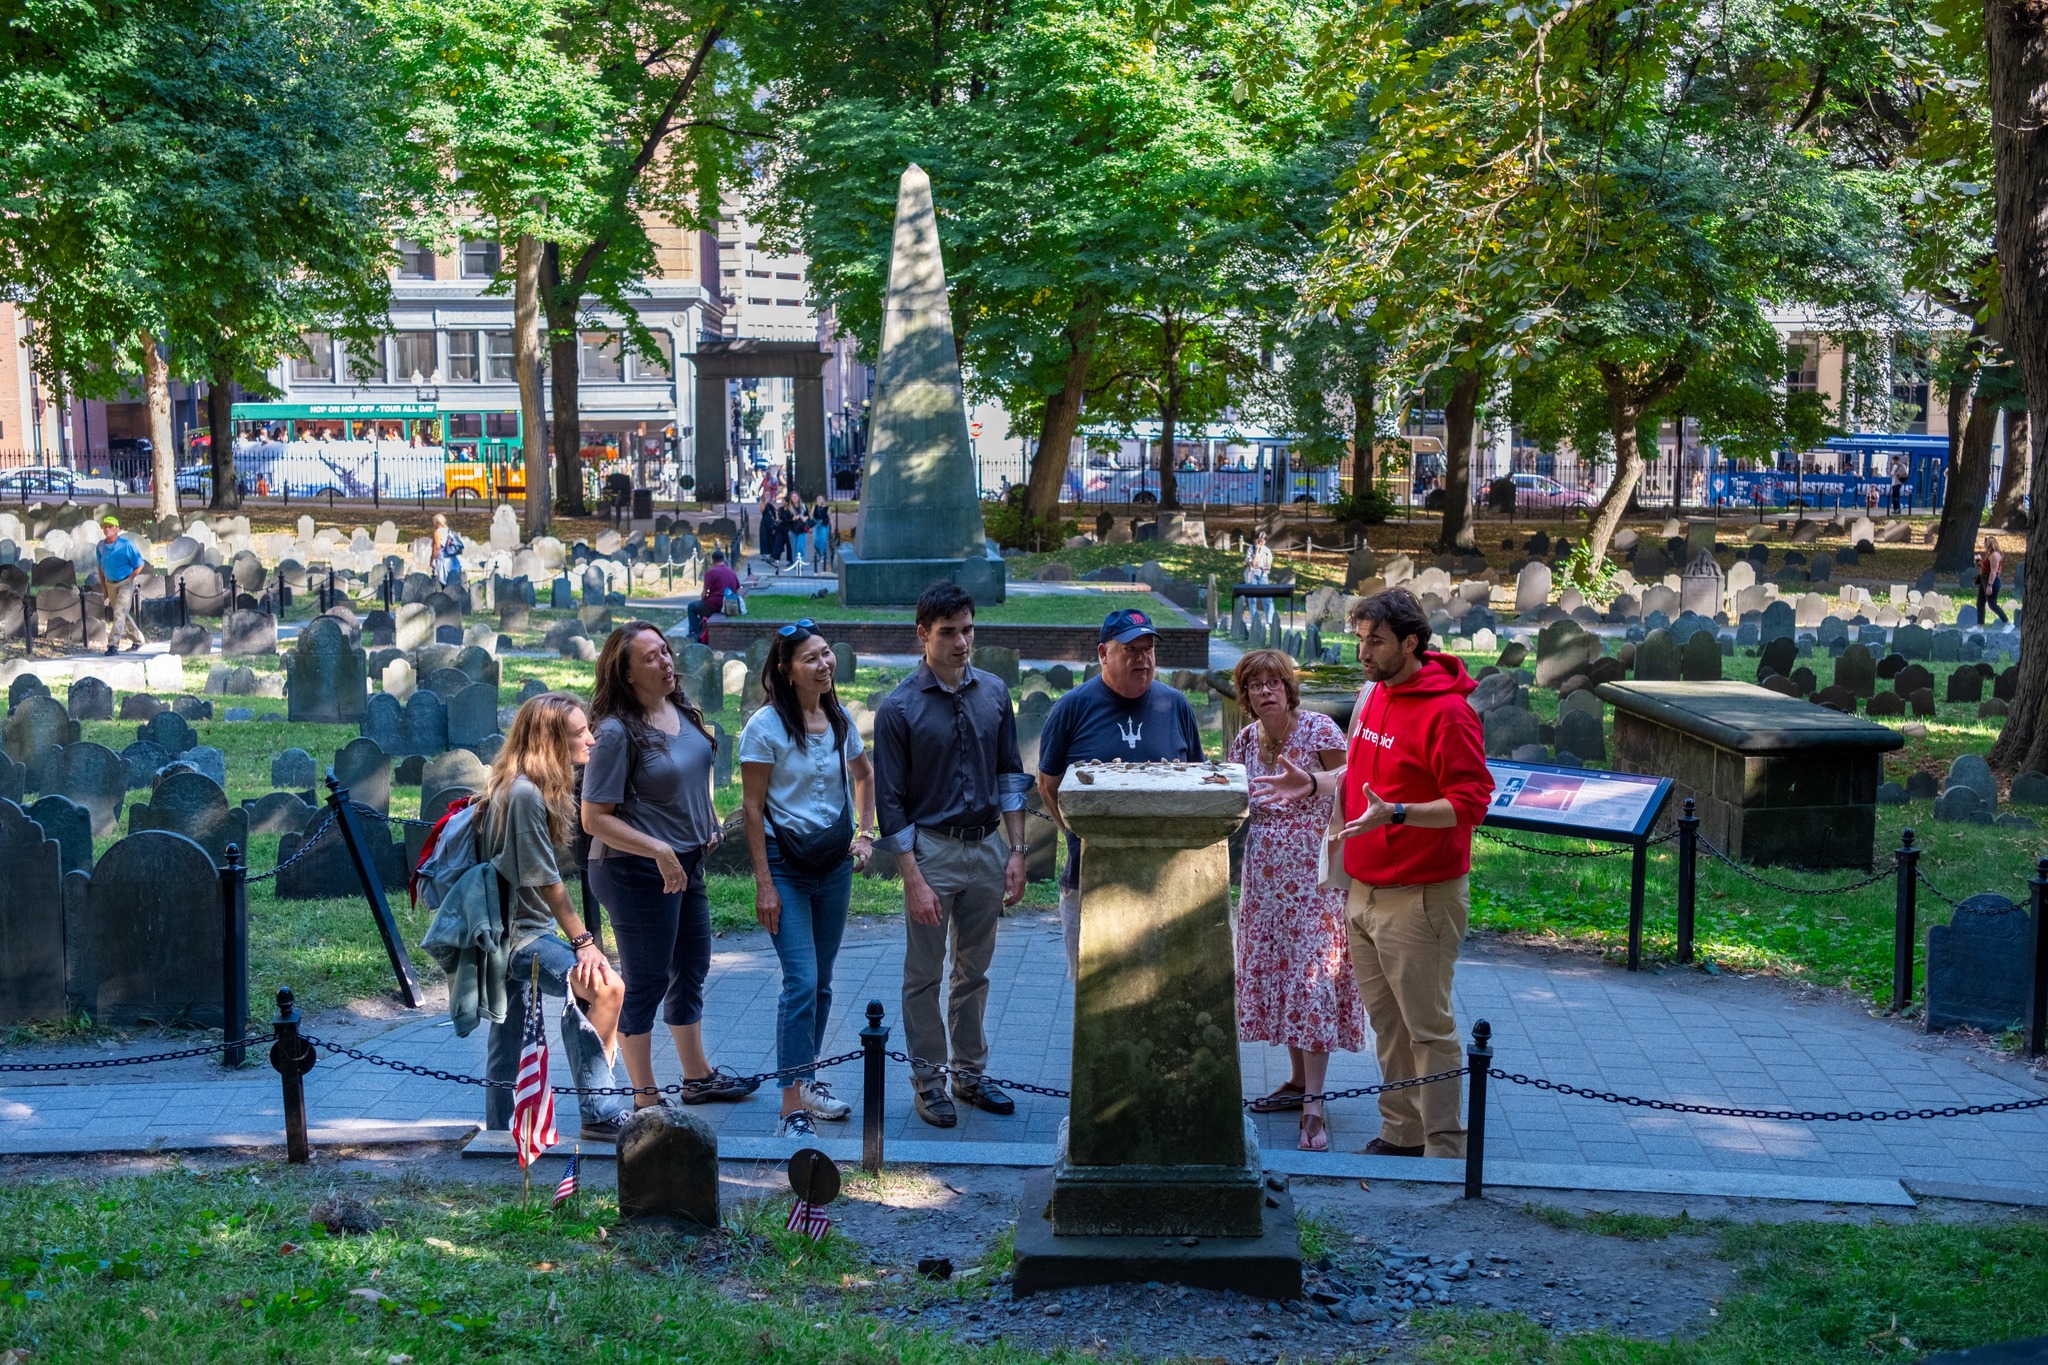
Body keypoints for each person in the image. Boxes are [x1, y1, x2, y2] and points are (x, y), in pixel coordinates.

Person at [1252, 587, 1492, 1159]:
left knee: (1427, 1030)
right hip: (1362, 891)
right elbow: (1356, 777)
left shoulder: (1448, 711)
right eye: (1359, 637)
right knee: (1389, 1027)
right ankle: (1401, 1134)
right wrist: (1312, 783)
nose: (1363, 651)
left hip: (1420, 896)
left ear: (1410, 642)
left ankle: (1445, 1150)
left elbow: (1473, 800)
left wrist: (1401, 813)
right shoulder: (1374, 695)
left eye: (1375, 641)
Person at [871, 582, 1032, 1128]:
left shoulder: (994, 692)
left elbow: (1010, 774)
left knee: (975, 969)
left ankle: (969, 1074)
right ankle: (929, 1082)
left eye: (968, 629)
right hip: (931, 852)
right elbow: (890, 806)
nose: (963, 642)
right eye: (949, 633)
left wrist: (1017, 851)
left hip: (987, 846)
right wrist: (912, 879)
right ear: (923, 635)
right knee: (923, 975)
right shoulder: (898, 708)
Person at [581, 623, 757, 1108]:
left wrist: (709, 821)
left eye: (665, 652)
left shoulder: (677, 708)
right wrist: (658, 849)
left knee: (692, 966)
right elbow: (594, 818)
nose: (666, 663)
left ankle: (697, 1076)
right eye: (652, 658)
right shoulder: (616, 732)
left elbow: (690, 775)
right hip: (633, 869)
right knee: (649, 978)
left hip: (686, 861)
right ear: (628, 674)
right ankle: (644, 1096)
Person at [741, 622, 878, 1139]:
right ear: (785, 670)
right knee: (799, 981)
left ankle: (809, 1080)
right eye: (811, 659)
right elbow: (752, 810)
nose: (824, 665)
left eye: (827, 655)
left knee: (821, 981)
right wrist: (763, 884)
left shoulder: (839, 718)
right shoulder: (765, 727)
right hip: (785, 865)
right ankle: (789, 1107)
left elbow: (864, 775)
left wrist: (867, 835)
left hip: (834, 865)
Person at [482, 693, 634, 1142]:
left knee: (506, 1041)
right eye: (579, 732)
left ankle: (497, 1132)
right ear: (551, 741)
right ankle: (598, 1111)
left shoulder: (516, 783)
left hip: (501, 931)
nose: (590, 738)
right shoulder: (525, 794)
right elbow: (547, 881)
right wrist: (584, 942)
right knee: (605, 987)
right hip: (518, 937)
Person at [1229, 649, 1364, 1152]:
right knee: (1283, 975)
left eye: (1273, 682)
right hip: (1264, 882)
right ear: (1245, 695)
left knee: (1311, 979)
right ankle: (1295, 1082)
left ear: (1288, 688)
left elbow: (1356, 782)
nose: (1265, 691)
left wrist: (1309, 791)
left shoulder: (1321, 730)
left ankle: (1314, 1105)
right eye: (1255, 684)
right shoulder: (1246, 741)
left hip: (1315, 877)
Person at [1037, 608, 1205, 980]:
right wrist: (1077, 833)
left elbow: (1196, 780)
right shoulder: (1071, 708)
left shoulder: (1175, 705)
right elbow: (1048, 784)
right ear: (1103, 654)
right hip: (1091, 882)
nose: (1142, 659)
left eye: (1148, 649)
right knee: (1092, 1000)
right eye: (1131, 650)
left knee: (1163, 988)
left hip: (1165, 885)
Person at [93, 516, 147, 654]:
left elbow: (140, 564)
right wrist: (104, 586)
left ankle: (113, 645)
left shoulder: (126, 545)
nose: (107, 529)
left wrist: (131, 578)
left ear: (117, 528)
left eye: (110, 526)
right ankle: (138, 640)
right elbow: (100, 567)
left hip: (125, 583)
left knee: (119, 612)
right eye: (105, 526)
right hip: (110, 583)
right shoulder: (100, 546)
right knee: (122, 614)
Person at [687, 549, 742, 641]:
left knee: (692, 607)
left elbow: (704, 593)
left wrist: (703, 598)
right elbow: (737, 590)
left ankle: (693, 633)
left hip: (714, 605)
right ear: (723, 559)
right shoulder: (731, 572)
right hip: (729, 605)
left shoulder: (710, 572)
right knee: (701, 608)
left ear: (712, 560)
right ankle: (701, 633)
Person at [1977, 536, 2009, 627]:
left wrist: (1989, 585)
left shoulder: (1995, 555)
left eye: (1986, 544)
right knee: (1980, 603)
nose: (1984, 546)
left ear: (1990, 544)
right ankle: (1979, 625)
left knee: (1992, 604)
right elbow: (1985, 567)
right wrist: (1979, 561)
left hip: (1991, 580)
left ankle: (2007, 623)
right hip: (1984, 580)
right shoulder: (1989, 555)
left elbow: (1993, 571)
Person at [1245, 529, 1276, 622]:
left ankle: (1270, 621)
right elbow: (1253, 564)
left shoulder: (1267, 551)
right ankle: (1254, 621)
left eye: (1262, 541)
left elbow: (1268, 566)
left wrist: (1261, 566)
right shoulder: (1251, 549)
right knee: (1252, 599)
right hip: (1252, 575)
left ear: (1265, 541)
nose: (1260, 542)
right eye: (1259, 540)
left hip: (1263, 576)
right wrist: (1257, 550)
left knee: (1267, 599)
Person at [431, 513, 463, 587]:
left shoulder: (437, 532)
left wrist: (432, 560)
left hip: (443, 560)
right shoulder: (449, 531)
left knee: (444, 583)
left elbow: (437, 547)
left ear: (436, 522)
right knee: (454, 582)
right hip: (453, 559)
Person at [810, 495, 833, 570]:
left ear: (824, 500)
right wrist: (811, 525)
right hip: (816, 525)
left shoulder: (827, 508)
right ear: (816, 500)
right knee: (815, 541)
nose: (820, 500)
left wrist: (832, 528)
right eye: (818, 499)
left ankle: (823, 555)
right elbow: (811, 516)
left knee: (823, 540)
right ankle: (820, 554)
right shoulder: (814, 507)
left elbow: (831, 519)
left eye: (821, 499)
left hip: (824, 525)